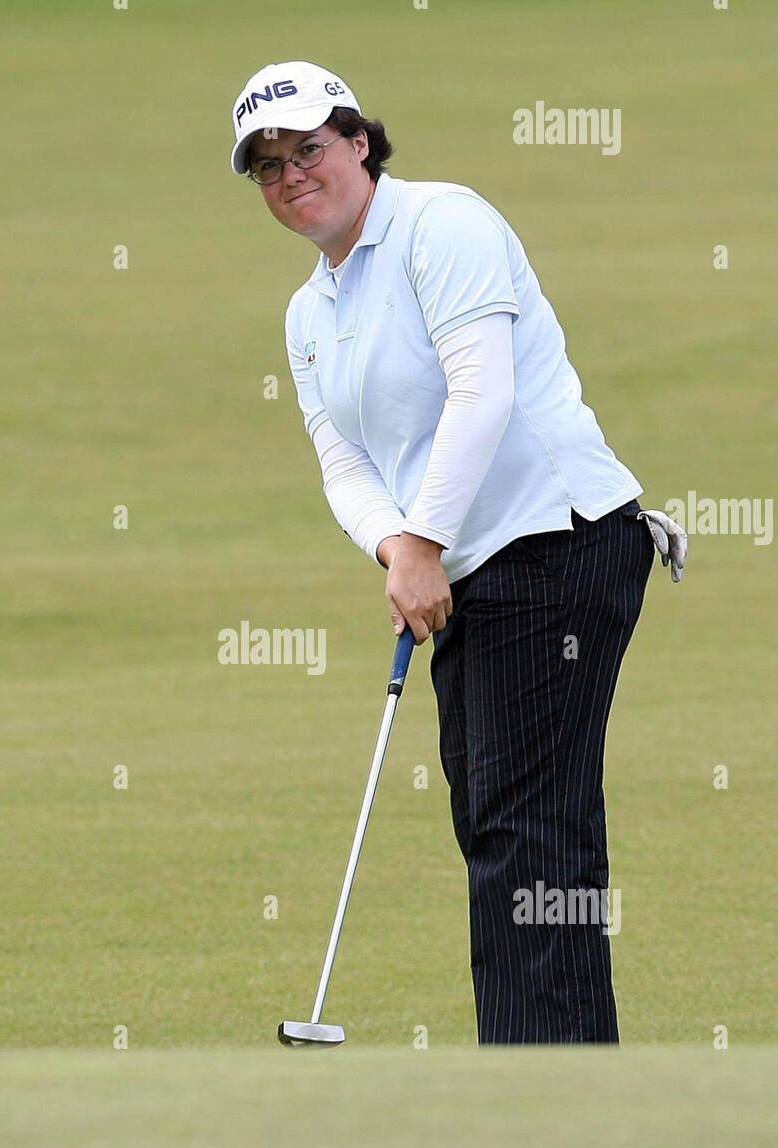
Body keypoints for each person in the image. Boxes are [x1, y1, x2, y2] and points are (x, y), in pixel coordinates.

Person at [229, 61, 686, 1044]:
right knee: (499, 819)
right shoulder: (311, 314)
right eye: (267, 166)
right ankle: (552, 1069)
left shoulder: (445, 225)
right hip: (469, 567)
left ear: (357, 140)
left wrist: (423, 543)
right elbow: (343, 462)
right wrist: (398, 545)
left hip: (560, 540)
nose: (291, 175)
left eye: (307, 148)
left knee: (527, 829)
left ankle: (545, 1083)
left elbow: (485, 394)